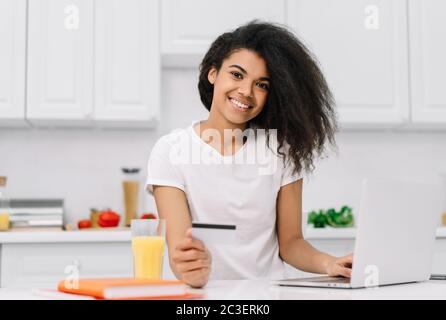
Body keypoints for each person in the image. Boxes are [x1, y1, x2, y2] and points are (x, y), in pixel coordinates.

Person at [146, 21, 353, 288]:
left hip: (269, 294)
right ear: (213, 74)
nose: (246, 91)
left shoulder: (280, 151)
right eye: (236, 75)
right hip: (206, 296)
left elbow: (291, 244)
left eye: (262, 85)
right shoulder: (171, 151)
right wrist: (192, 271)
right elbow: (179, 249)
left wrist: (329, 263)